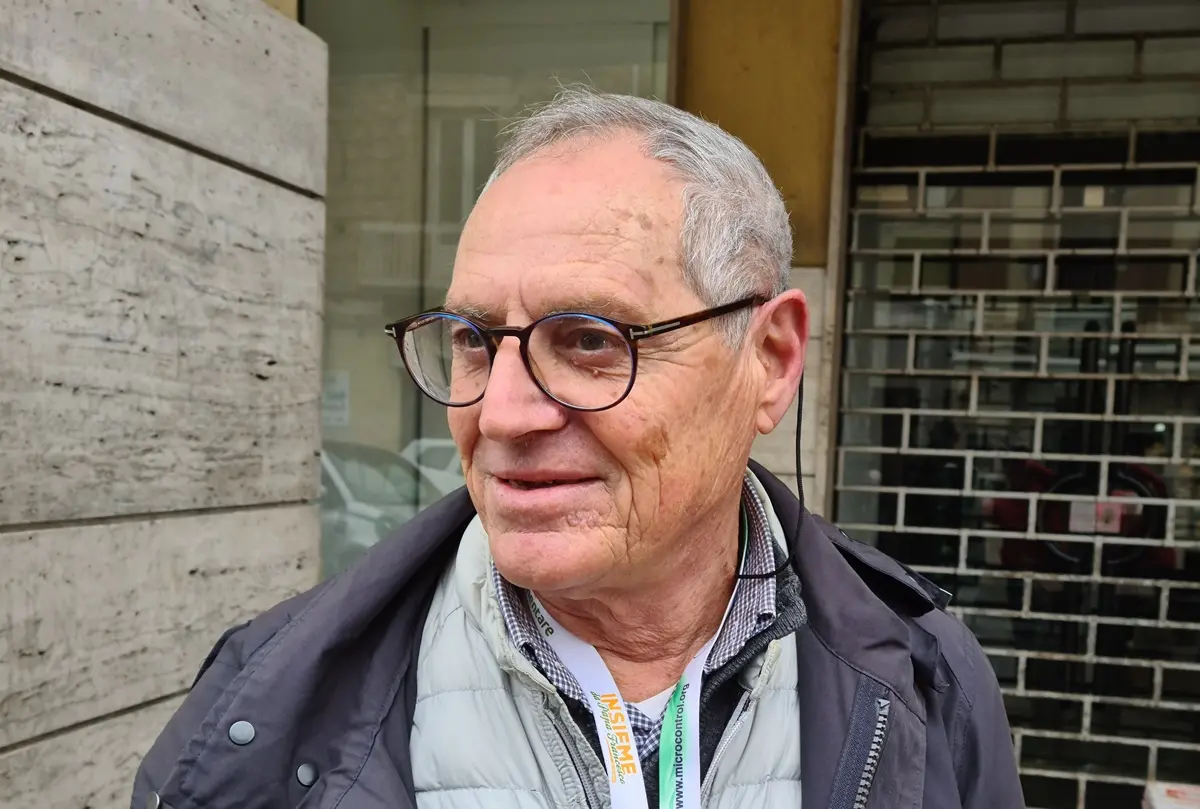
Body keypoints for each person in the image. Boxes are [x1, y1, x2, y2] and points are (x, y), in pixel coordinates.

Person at [131, 88, 1023, 809]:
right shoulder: (265, 705)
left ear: (770, 359)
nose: (502, 414)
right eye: (473, 339)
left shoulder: (927, 682)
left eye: (593, 340)